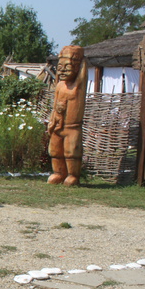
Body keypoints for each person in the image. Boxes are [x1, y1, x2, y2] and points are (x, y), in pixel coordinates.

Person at [48, 45, 87, 186]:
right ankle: (58, 173)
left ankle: (72, 175)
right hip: (58, 124)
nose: (63, 70)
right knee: (55, 151)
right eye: (60, 67)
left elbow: (82, 77)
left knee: (71, 153)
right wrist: (52, 119)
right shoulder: (59, 86)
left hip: (72, 127)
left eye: (67, 67)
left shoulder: (78, 86)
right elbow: (54, 105)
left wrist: (83, 63)